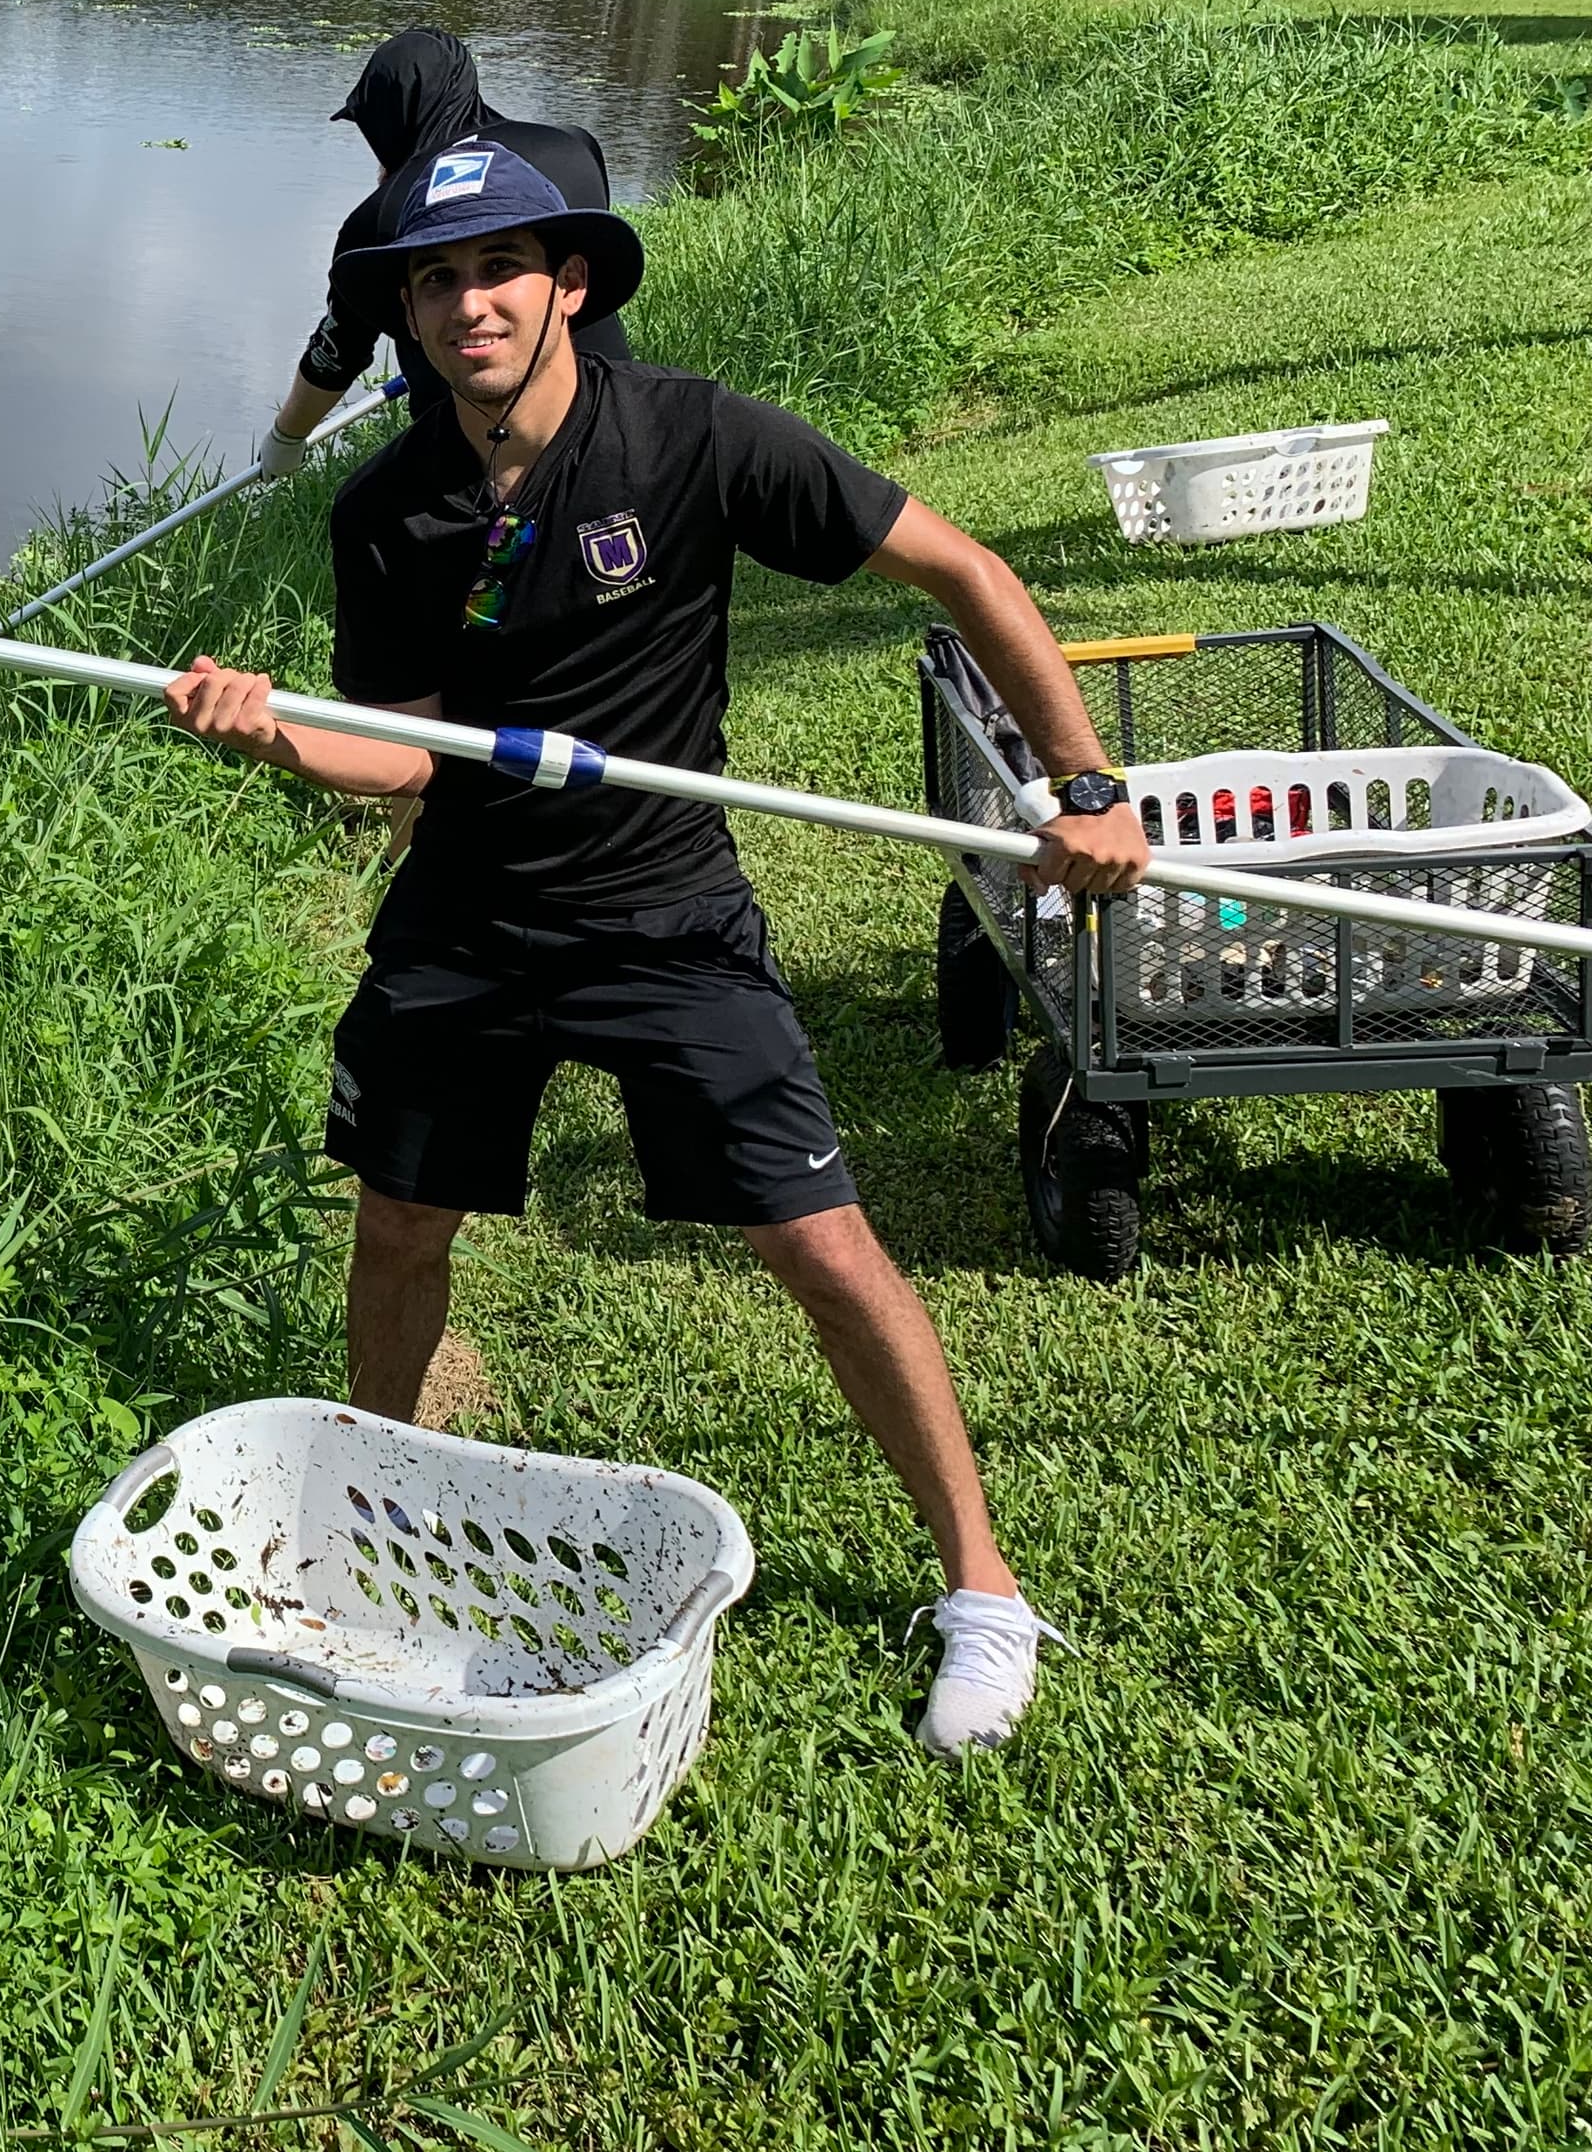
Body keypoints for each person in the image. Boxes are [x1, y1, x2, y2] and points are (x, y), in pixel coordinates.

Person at [164, 140, 1147, 1757]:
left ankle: (982, 1588)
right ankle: (358, 1541)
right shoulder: (387, 510)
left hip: (662, 913)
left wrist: (1085, 783)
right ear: (402, 313)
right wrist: (269, 737)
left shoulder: (693, 439)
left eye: (498, 269)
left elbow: (961, 568)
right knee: (401, 1226)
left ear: (569, 286)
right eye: (432, 277)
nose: (466, 301)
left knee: (821, 1248)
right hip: (466, 915)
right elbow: (407, 757)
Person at [258, 26, 625, 476]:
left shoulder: (380, 215)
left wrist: (287, 437)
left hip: (475, 458)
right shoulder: (574, 147)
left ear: (390, 118)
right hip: (610, 414)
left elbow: (339, 351)